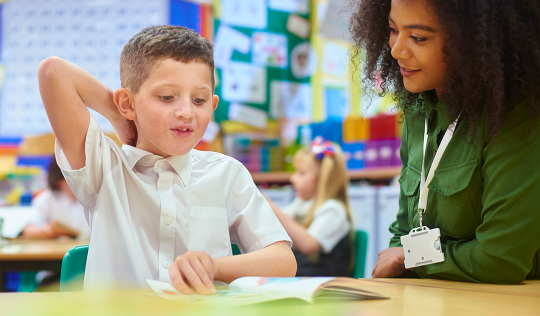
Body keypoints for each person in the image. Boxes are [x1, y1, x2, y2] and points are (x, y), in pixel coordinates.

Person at [38, 25, 296, 293]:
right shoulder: (105, 168)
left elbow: (283, 262)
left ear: (213, 104)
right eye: (167, 97)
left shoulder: (226, 173)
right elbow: (53, 72)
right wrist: (118, 117)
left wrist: (214, 267)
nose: (186, 112)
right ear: (127, 103)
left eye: (199, 100)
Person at [351, 0, 540, 283]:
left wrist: (410, 257)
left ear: (474, 42)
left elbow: (499, 259)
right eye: (393, 29)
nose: (396, 50)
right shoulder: (416, 112)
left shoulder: (517, 118)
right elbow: (401, 232)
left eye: (417, 37)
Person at [266, 137, 354, 277]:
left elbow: (308, 244)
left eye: (301, 173)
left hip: (326, 288)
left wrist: (271, 206)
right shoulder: (301, 204)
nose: (293, 178)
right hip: (301, 280)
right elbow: (276, 221)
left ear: (323, 178)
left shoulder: (333, 210)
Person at [21, 158, 90, 239]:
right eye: (71, 181)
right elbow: (28, 230)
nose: (78, 185)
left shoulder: (96, 198)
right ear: (58, 181)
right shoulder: (47, 200)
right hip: (58, 250)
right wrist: (44, 231)